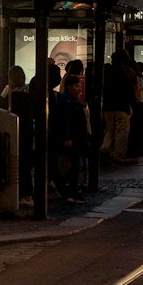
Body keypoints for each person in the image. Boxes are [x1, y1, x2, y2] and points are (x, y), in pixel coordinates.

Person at [49, 73, 90, 203]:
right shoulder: (68, 102)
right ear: (70, 87)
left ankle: (69, 189)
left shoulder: (72, 100)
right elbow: (65, 120)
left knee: (74, 165)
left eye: (80, 86)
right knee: (73, 166)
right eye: (77, 86)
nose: (79, 89)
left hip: (76, 137)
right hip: (73, 138)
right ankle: (71, 190)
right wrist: (67, 137)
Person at [2, 65, 35, 206]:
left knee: (19, 163)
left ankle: (26, 195)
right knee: (25, 162)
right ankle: (26, 194)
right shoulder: (28, 93)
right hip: (27, 131)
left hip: (15, 131)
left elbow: (1, 107)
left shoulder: (10, 94)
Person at [101, 50, 137, 164]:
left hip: (108, 106)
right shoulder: (124, 73)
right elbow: (128, 90)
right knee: (121, 131)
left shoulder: (106, 72)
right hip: (121, 106)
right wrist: (133, 104)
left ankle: (104, 149)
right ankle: (118, 155)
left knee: (109, 130)